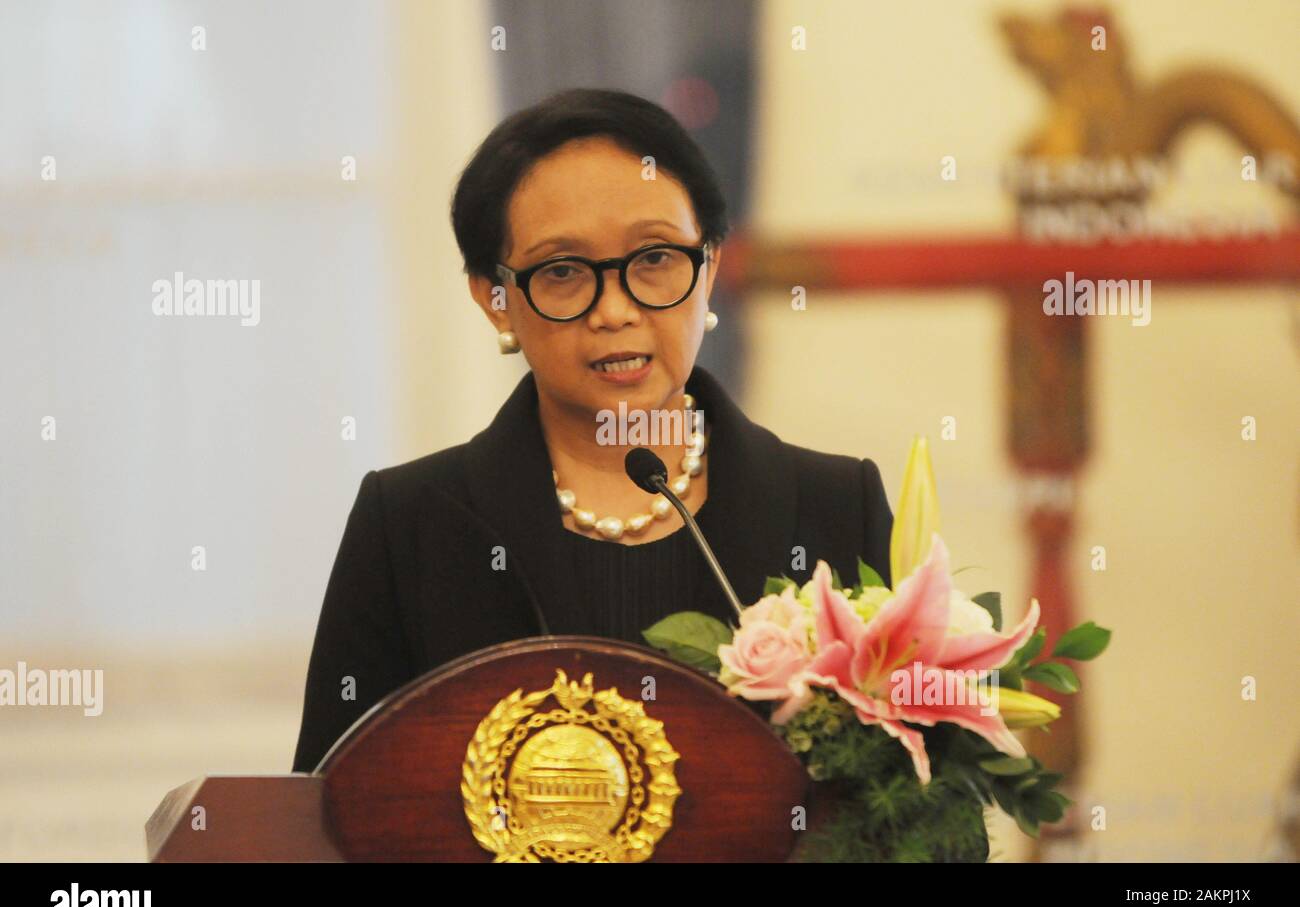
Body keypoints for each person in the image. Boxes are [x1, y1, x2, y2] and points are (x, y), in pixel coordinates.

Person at [291, 88, 893, 774]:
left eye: (656, 259)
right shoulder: (408, 527)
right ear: (496, 301)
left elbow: (922, 815)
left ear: (712, 265)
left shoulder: (838, 507)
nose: (615, 309)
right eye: (564, 272)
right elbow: (324, 810)